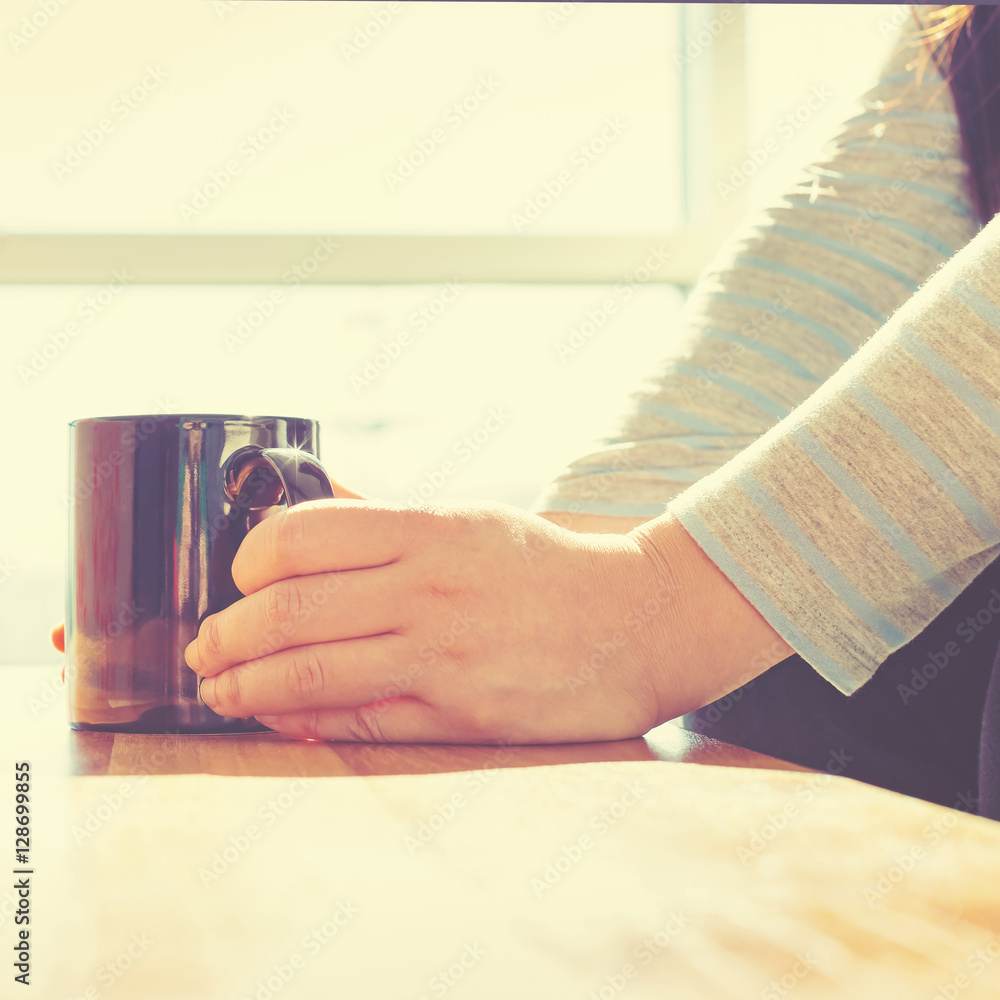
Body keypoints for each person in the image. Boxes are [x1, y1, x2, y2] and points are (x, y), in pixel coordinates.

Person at [52, 5, 1000, 820]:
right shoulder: (958, 41)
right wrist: (400, 610)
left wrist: (646, 613)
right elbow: (704, 428)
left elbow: (648, 596)